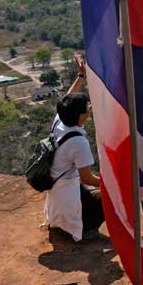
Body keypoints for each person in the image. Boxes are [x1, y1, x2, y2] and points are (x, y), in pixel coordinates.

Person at [43, 53, 105, 242]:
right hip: (68, 188)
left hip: (56, 185)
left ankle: (70, 220)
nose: (89, 108)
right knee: (109, 198)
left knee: (87, 193)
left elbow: (67, 99)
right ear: (79, 115)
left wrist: (81, 76)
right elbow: (87, 177)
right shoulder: (79, 142)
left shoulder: (60, 121)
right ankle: (86, 229)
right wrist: (111, 185)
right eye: (86, 107)